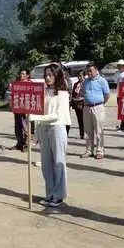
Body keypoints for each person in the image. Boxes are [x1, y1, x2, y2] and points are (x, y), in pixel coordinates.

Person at [29, 64, 71, 207]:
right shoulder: (44, 92)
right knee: (46, 164)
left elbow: (58, 115)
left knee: (58, 162)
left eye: (50, 75)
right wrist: (35, 135)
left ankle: (58, 195)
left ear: (57, 76)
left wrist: (36, 118)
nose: (47, 77)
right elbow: (39, 111)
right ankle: (50, 194)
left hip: (56, 128)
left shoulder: (63, 94)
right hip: (43, 128)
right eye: (46, 75)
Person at [80, 63, 110, 159]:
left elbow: (107, 95)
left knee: (99, 130)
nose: (89, 73)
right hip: (86, 107)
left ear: (96, 70)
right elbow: (82, 92)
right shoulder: (85, 82)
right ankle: (89, 150)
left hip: (98, 107)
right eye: (87, 71)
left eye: (90, 71)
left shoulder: (102, 81)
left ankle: (100, 150)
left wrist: (100, 103)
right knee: (88, 130)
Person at [13, 69, 32, 150]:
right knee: (17, 127)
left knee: (26, 127)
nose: (21, 75)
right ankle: (19, 143)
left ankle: (27, 145)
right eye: (20, 73)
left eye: (23, 74)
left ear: (27, 75)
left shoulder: (30, 84)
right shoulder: (17, 83)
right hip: (17, 108)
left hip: (26, 109)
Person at [70, 70, 86, 140]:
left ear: (84, 76)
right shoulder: (76, 84)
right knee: (79, 120)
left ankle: (87, 133)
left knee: (85, 120)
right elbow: (73, 93)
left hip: (84, 104)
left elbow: (87, 94)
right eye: (78, 76)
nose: (79, 77)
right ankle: (81, 134)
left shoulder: (86, 83)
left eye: (80, 76)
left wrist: (81, 98)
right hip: (77, 105)